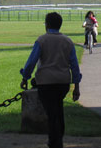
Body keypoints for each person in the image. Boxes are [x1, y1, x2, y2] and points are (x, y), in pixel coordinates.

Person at [20, 12, 82, 148]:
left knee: (52, 113)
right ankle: (57, 138)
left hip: (45, 82)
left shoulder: (41, 40)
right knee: (57, 109)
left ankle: (55, 141)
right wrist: (76, 86)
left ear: (47, 25)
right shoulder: (68, 41)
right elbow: (75, 66)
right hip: (63, 82)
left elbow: (32, 62)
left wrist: (25, 77)